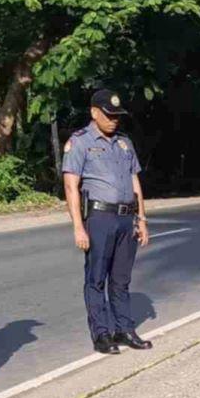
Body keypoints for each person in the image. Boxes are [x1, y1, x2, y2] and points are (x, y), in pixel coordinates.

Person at [63, 89, 152, 355]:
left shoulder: (124, 143)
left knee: (121, 279)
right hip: (100, 218)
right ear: (94, 113)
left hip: (127, 218)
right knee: (96, 279)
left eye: (117, 116)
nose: (114, 120)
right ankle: (102, 334)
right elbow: (71, 185)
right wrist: (78, 226)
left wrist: (142, 218)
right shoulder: (80, 142)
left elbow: (135, 180)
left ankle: (124, 329)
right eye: (109, 115)